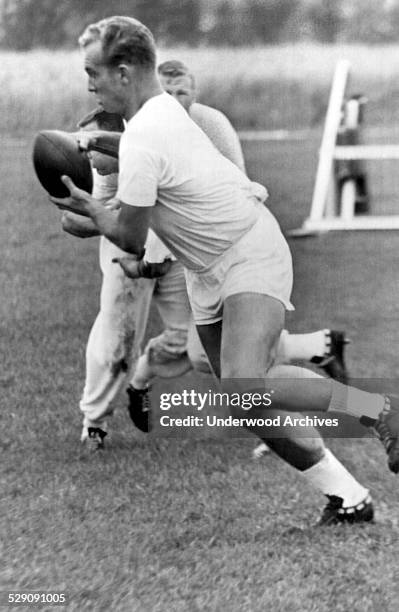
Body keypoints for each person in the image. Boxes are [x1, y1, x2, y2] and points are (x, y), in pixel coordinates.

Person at [54, 17, 399, 523]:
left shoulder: (147, 130)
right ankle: (349, 498)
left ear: (124, 73)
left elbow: (128, 235)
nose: (88, 84)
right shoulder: (158, 112)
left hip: (247, 251)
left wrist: (89, 206)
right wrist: (86, 144)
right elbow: (135, 152)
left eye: (93, 72)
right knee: (247, 401)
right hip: (206, 269)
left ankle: (379, 410)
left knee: (242, 385)